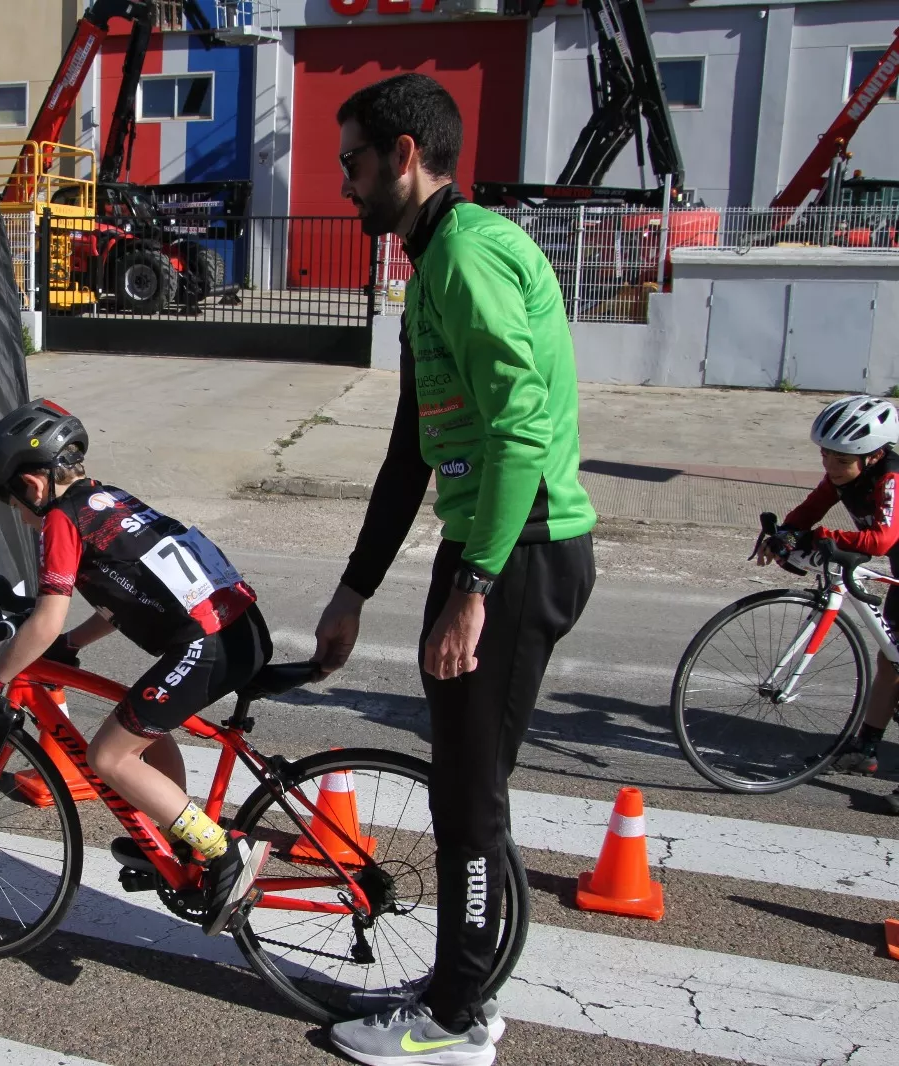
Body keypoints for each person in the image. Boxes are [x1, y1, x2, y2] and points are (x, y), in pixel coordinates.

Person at [314, 74, 597, 1066]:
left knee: (468, 796)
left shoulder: (469, 257)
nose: (340, 180)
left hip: (515, 553)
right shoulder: (431, 266)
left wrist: (472, 587)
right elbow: (410, 450)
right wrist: (355, 586)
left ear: (401, 156)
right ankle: (463, 981)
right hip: (491, 545)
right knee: (464, 789)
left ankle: (454, 1021)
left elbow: (521, 428)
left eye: (351, 159)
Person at [0, 399, 273, 936]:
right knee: (139, 726)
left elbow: (46, 619)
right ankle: (182, 838)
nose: (22, 518)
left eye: (14, 505)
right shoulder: (107, 499)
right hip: (237, 625)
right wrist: (75, 642)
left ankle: (220, 854)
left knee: (107, 754)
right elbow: (120, 595)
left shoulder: (60, 518)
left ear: (31, 486)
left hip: (207, 643)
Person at [761, 395, 899, 811]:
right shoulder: (843, 476)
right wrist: (785, 534)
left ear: (873, 455)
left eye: (840, 460)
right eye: (825, 455)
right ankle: (865, 749)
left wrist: (827, 539)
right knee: (890, 661)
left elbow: (882, 539)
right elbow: (811, 508)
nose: (830, 468)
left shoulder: (890, 479)